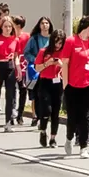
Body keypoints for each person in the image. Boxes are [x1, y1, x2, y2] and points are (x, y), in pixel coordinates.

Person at [61, 15, 89, 157]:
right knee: (73, 116)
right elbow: (65, 63)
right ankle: (69, 138)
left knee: (86, 116)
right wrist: (65, 84)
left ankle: (83, 147)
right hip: (72, 85)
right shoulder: (71, 41)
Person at [28, 18, 64, 149]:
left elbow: (68, 67)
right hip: (45, 82)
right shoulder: (44, 51)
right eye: (56, 42)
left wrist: (61, 65)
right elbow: (37, 68)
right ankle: (43, 131)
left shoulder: (64, 52)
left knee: (55, 112)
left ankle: (53, 138)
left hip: (58, 83)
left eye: (61, 43)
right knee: (46, 110)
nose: (58, 45)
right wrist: (47, 64)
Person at [0, 13, 20, 130]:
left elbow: (16, 56)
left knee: (10, 95)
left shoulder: (15, 40)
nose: (8, 29)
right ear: (1, 27)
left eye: (10, 26)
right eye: (5, 26)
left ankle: (8, 121)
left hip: (10, 67)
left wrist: (18, 69)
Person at [6, 15, 30, 128]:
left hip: (23, 65)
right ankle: (11, 114)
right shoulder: (10, 37)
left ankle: (20, 114)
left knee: (23, 90)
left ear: (18, 26)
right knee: (12, 90)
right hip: (12, 65)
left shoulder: (27, 36)